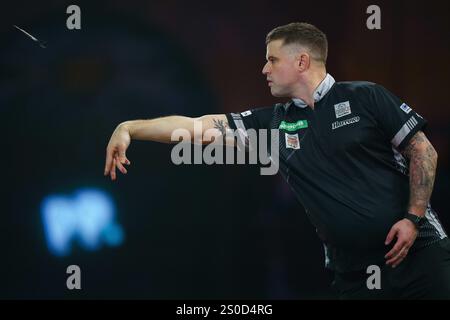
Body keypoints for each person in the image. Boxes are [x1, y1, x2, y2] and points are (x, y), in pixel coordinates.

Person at [104, 22, 450, 299]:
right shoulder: (270, 123)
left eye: (272, 59)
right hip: (355, 276)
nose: (263, 68)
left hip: (421, 256)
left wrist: (412, 218)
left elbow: (423, 150)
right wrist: (130, 127)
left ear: (301, 62)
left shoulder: (365, 97)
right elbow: (197, 127)